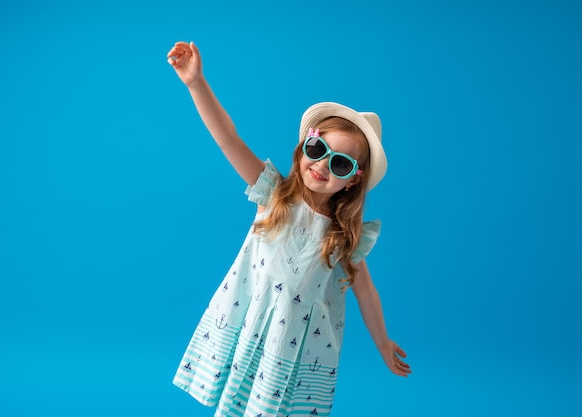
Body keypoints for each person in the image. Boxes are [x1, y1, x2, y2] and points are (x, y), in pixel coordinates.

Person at [167, 41, 411, 417]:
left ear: (351, 181)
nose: (323, 166)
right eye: (318, 150)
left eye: (341, 164)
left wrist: (382, 343)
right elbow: (228, 139)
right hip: (251, 321)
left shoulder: (345, 236)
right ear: (303, 149)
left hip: (294, 343)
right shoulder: (273, 194)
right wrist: (196, 83)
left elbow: (365, 290)